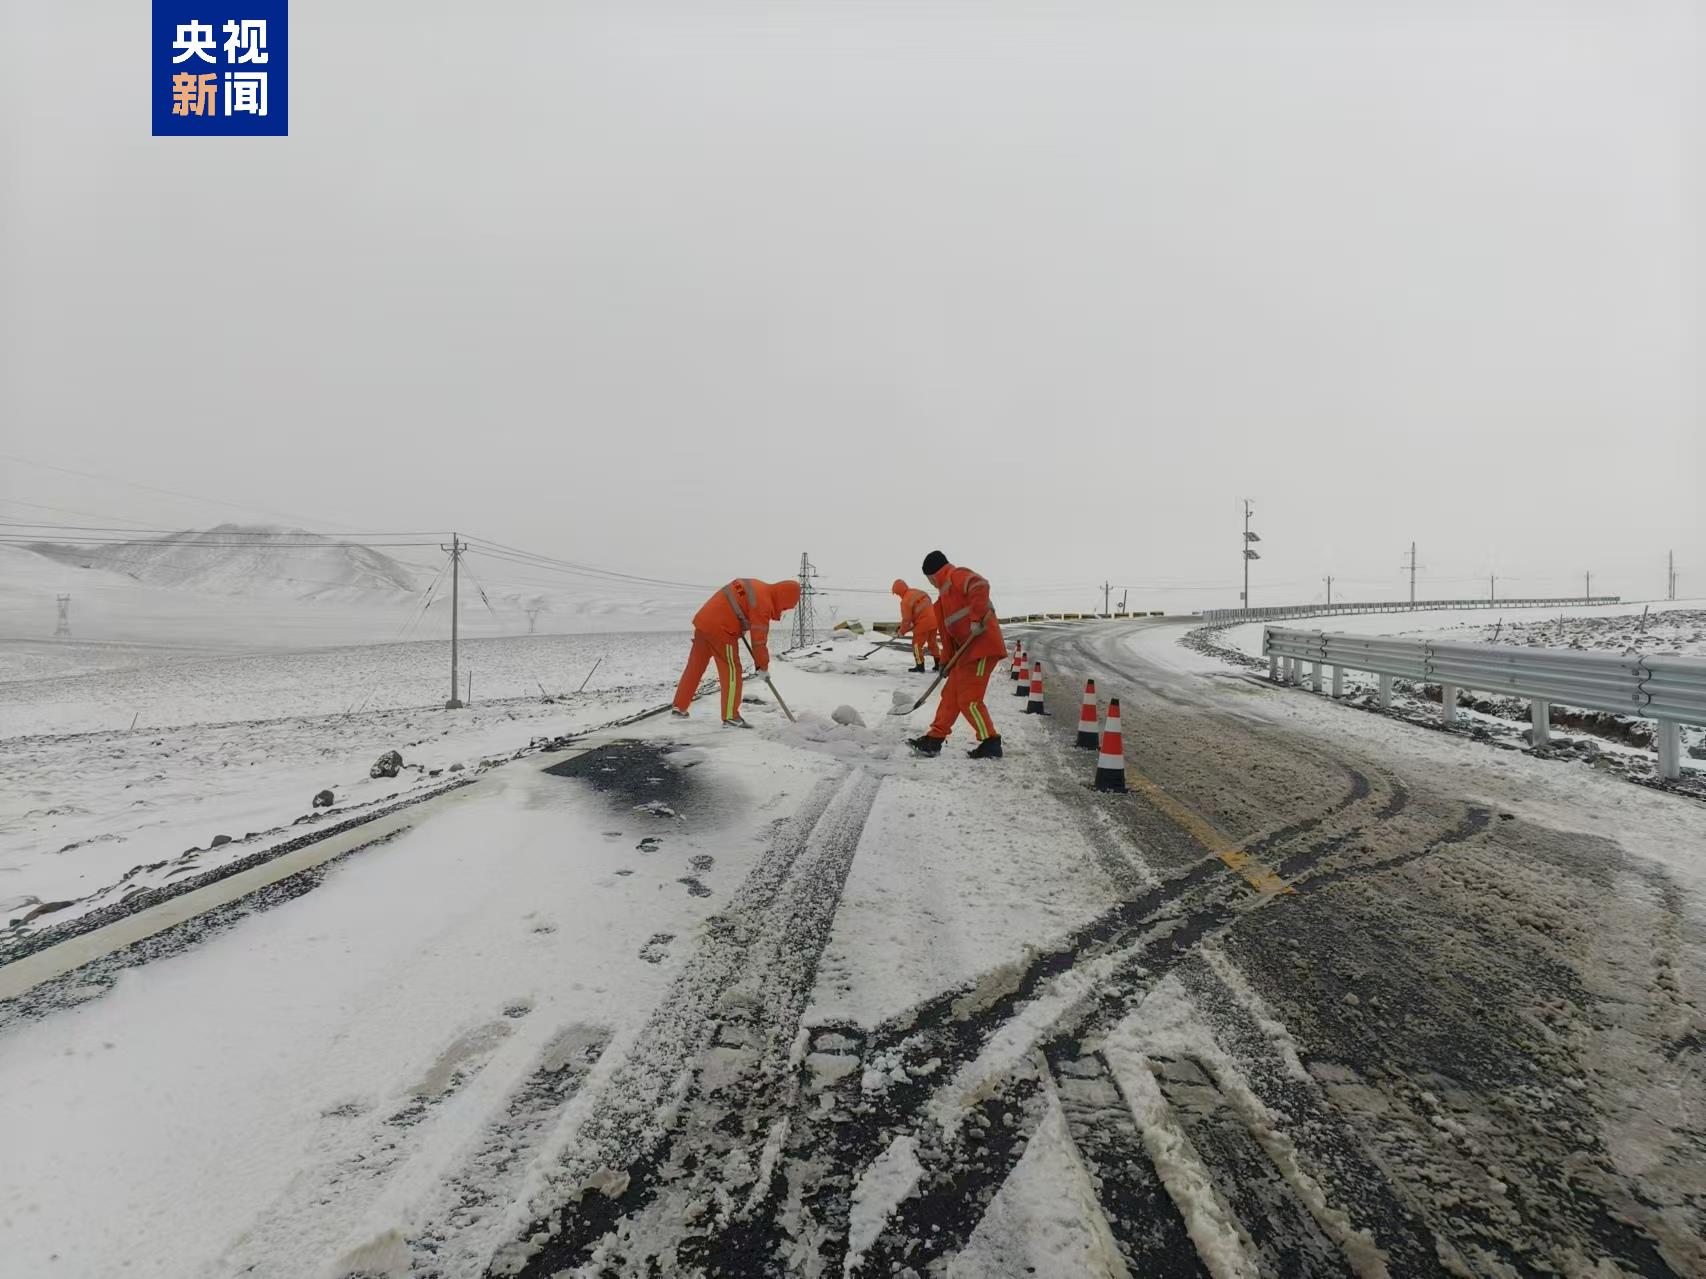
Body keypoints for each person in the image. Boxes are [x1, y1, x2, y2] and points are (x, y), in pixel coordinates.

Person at [908, 551, 1005, 759]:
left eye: (928, 578)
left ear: (932, 575)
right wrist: (945, 662)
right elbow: (947, 638)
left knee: (969, 699)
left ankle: (991, 742)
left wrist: (976, 619)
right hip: (965, 653)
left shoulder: (956, 575)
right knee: (950, 696)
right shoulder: (942, 601)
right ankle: (934, 739)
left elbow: (980, 585)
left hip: (982, 648)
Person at [672, 577, 801, 726]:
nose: (783, 611)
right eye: (785, 607)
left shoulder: (758, 587)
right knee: (731, 671)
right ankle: (731, 716)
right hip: (722, 629)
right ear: (784, 597)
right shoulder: (763, 603)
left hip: (705, 622)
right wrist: (762, 666)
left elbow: (736, 604)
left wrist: (740, 624)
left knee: (695, 666)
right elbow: (759, 641)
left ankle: (679, 707)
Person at [891, 579, 943, 672]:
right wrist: (904, 627)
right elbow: (919, 611)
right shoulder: (918, 592)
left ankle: (920, 666)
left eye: (897, 593)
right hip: (934, 620)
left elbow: (907, 620)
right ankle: (939, 664)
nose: (898, 595)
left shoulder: (905, 601)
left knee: (916, 645)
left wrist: (901, 632)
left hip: (923, 624)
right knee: (932, 643)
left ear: (898, 591)